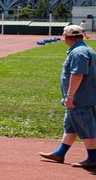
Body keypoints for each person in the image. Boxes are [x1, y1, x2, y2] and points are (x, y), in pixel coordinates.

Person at [39, 24, 96, 170]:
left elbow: (77, 75)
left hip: (79, 98)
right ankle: (60, 153)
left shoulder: (78, 53)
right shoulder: (86, 50)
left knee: (86, 127)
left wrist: (70, 96)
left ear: (66, 37)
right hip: (83, 96)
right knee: (71, 127)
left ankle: (93, 158)